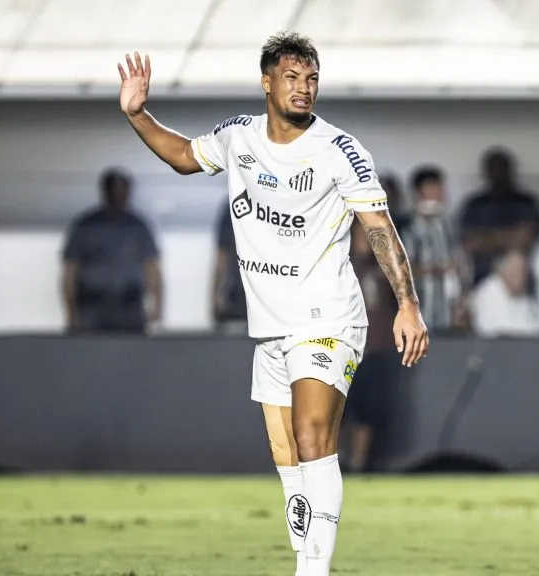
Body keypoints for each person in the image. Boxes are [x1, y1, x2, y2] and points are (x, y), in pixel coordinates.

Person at [116, 32, 428, 576]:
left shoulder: (339, 150)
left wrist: (408, 304)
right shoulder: (239, 137)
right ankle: (306, 559)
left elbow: (379, 229)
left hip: (328, 316)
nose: (303, 88)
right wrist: (139, 115)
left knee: (313, 437)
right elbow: (186, 157)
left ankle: (314, 572)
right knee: (288, 458)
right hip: (272, 325)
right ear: (267, 82)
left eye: (311, 79)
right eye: (291, 78)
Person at [61, 168, 162, 333]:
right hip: (92, 305)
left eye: (123, 191)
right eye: (115, 190)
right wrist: (71, 313)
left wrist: (157, 306)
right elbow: (70, 271)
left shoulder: (138, 226)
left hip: (129, 306)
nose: (119, 196)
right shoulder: (85, 226)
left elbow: (152, 268)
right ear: (105, 192)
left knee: (131, 354)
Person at [344, 219, 400, 473]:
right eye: (359, 236)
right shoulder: (340, 267)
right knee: (340, 410)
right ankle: (332, 463)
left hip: (376, 349)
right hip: (344, 348)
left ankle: (358, 463)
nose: (364, 242)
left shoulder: (383, 269)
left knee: (369, 410)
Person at [458, 148, 539, 288]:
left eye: (502, 169)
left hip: (520, 281)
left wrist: (486, 238)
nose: (498, 174)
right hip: (481, 278)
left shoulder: (527, 203)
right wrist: (510, 236)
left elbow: (526, 238)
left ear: (511, 171)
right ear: (485, 172)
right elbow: (470, 243)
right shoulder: (474, 204)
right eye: (493, 169)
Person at [401, 165, 460, 332]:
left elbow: (457, 260)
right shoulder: (407, 225)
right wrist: (437, 269)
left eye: (441, 187)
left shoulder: (447, 224)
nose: (440, 193)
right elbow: (401, 268)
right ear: (419, 192)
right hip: (419, 307)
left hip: (447, 310)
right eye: (434, 187)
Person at [211, 198, 248, 335]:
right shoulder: (231, 207)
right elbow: (221, 255)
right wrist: (216, 295)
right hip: (236, 298)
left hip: (250, 296)